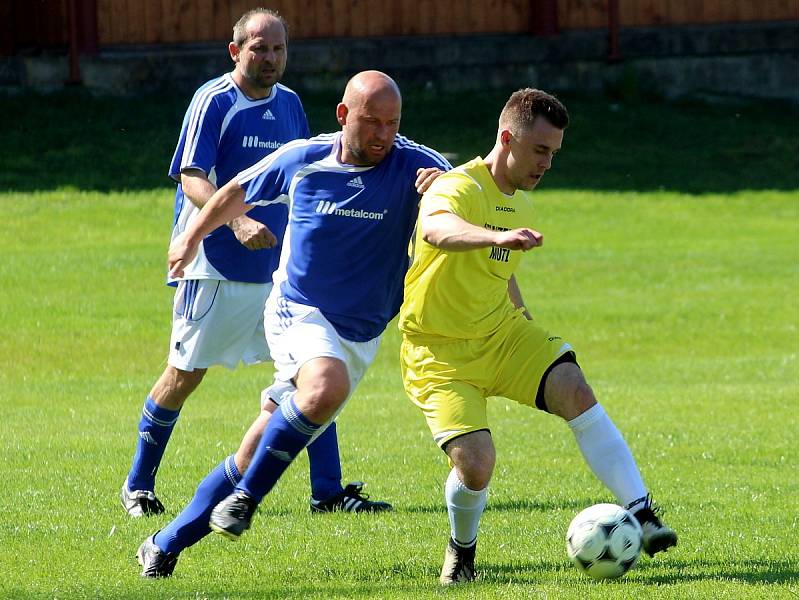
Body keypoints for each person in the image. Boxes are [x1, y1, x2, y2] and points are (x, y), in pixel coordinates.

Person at [134, 70, 450, 577]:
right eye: (371, 122)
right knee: (325, 386)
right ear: (343, 115)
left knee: (256, 446)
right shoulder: (304, 158)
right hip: (296, 310)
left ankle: (165, 542)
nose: (383, 135)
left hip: (360, 332)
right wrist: (192, 236)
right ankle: (246, 503)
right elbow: (235, 191)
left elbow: (464, 200)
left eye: (392, 123)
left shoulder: (416, 164)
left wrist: (445, 190)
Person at [397, 88, 679, 585]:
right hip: (438, 352)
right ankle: (462, 552)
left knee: (576, 389)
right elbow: (439, 229)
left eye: (554, 153)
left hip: (502, 335)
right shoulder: (457, 188)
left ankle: (643, 513)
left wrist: (522, 316)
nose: (547, 163)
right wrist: (494, 236)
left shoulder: (521, 205)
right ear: (507, 138)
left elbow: (500, 272)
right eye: (540, 151)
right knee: (477, 465)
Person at [121, 8, 390, 519]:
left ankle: (327, 491)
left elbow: (310, 174)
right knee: (185, 373)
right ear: (235, 51)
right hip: (216, 264)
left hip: (277, 273)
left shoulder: (289, 104)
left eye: (278, 49)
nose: (269, 58)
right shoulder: (215, 100)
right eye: (259, 48)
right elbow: (192, 175)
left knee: (312, 372)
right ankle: (138, 484)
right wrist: (237, 223)